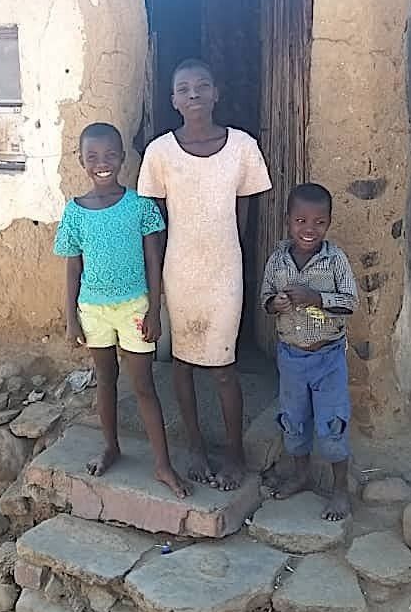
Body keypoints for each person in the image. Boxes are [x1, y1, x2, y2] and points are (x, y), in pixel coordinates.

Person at [138, 59, 272, 490]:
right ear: (173, 100)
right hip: (180, 270)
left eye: (202, 86)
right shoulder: (159, 153)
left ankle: (234, 453)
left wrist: (232, 260)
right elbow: (154, 224)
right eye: (184, 88)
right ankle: (194, 445)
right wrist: (155, 285)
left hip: (224, 270)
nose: (193, 93)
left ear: (217, 94)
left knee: (223, 365)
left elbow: (244, 215)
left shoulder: (242, 147)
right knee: (182, 362)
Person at [54, 122, 189, 499]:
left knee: (144, 385)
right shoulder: (76, 212)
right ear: (81, 160)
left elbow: (153, 260)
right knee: (106, 379)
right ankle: (111, 446)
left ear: (123, 158)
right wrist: (70, 318)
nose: (102, 163)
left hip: (134, 307)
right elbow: (72, 268)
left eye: (110, 155)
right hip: (93, 310)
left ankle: (162, 464)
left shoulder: (140, 206)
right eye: (92, 156)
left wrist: (155, 311)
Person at [260, 182, 359, 521]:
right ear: (288, 221)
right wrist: (277, 303)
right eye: (301, 220)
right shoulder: (278, 261)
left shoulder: (335, 261)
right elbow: (266, 300)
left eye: (319, 222)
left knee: (332, 423)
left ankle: (339, 489)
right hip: (291, 358)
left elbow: (350, 303)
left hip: (328, 358)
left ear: (328, 223)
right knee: (294, 420)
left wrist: (318, 299)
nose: (309, 229)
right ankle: (301, 475)